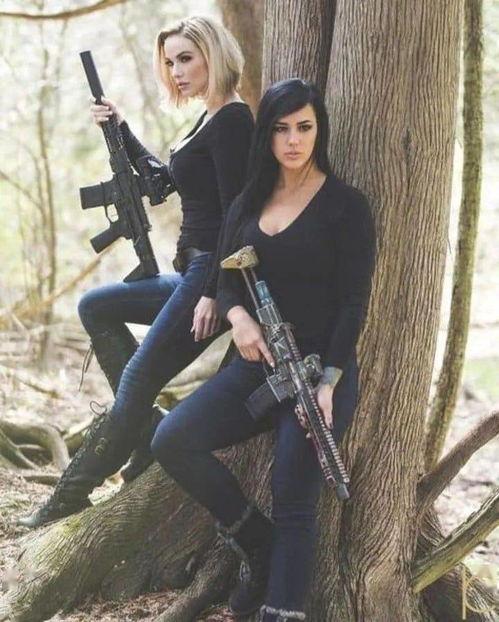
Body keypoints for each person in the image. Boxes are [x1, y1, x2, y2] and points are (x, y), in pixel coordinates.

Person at [150, 78, 376, 620]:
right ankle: (256, 541)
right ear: (267, 135)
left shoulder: (346, 207)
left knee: (293, 498)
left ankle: (282, 610)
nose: (293, 140)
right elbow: (227, 279)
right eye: (281, 129)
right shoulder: (248, 201)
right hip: (257, 368)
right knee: (172, 439)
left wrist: (329, 382)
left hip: (318, 372)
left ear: (319, 132)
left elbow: (353, 305)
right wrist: (238, 319)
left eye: (304, 127)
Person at [18, 15, 254, 529]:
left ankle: (70, 496)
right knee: (95, 306)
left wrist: (216, 292)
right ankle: (147, 433)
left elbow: (238, 217)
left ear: (214, 55)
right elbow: (166, 182)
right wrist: (120, 129)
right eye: (170, 62)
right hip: (192, 272)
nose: (177, 71)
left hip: (208, 277)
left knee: (136, 381)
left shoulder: (234, 122)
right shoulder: (209, 119)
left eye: (186, 58)